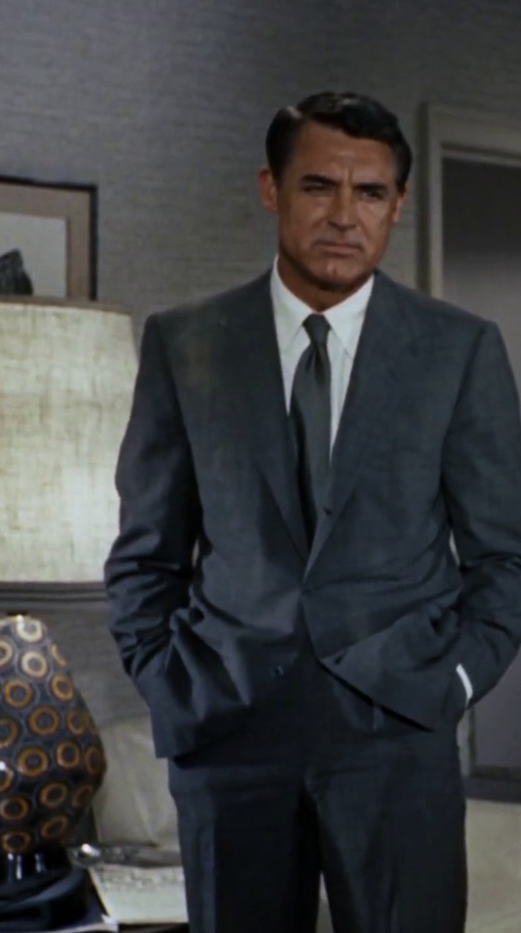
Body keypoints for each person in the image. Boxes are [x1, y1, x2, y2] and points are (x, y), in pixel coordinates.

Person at [103, 91, 521, 933]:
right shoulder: (186, 342)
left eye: (369, 193)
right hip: (227, 732)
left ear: (397, 204)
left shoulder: (458, 350)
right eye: (318, 186)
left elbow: (503, 558)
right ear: (272, 188)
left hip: (397, 730)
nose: (342, 216)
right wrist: (168, 678)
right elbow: (146, 553)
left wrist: (453, 681)